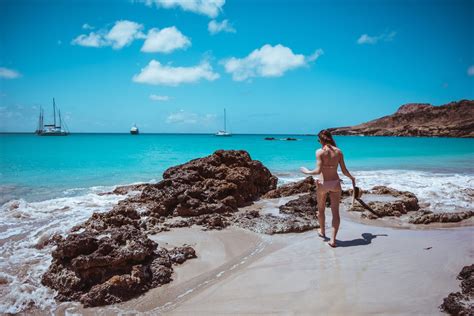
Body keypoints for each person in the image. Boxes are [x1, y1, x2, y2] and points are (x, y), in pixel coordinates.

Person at [300, 130, 356, 248]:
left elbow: (318, 171)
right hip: (335, 183)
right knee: (335, 212)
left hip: (322, 184)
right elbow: (344, 171)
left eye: (318, 140)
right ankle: (333, 240)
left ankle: (322, 231)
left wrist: (306, 171)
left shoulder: (320, 152)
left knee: (321, 209)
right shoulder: (339, 152)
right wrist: (352, 178)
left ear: (321, 140)